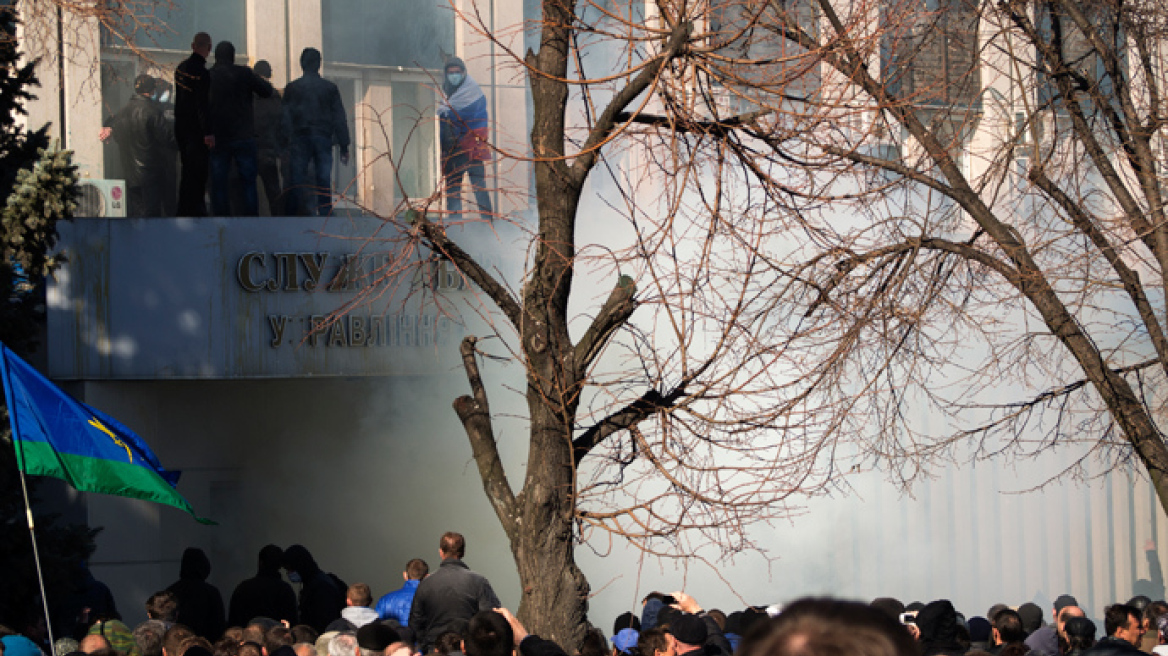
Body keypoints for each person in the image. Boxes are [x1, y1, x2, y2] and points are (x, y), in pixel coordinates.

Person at [207, 41, 273, 216]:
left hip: (219, 137)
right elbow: (267, 91)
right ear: (233, 56)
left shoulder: (209, 76)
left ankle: (221, 219)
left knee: (219, 181)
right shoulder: (244, 74)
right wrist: (252, 76)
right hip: (243, 136)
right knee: (248, 181)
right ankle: (250, 218)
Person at [281, 47, 350, 216]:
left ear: (301, 64)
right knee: (323, 179)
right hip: (323, 138)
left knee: (296, 179)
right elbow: (339, 118)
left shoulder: (292, 88)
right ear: (319, 64)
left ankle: (291, 215)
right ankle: (325, 213)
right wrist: (344, 146)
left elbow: (284, 118)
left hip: (300, 138)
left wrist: (283, 143)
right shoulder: (329, 88)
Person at [408, 532, 501, 652]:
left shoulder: (425, 584)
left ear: (441, 552)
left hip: (435, 648)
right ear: (463, 552)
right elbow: (491, 617)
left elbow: (415, 623)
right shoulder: (478, 581)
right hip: (467, 648)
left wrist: (427, 647)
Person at [99, 74, 175, 217]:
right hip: (151, 174)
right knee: (152, 215)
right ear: (152, 90)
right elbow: (168, 139)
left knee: (136, 214)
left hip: (130, 175)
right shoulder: (153, 112)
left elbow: (114, 132)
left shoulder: (122, 113)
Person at [437, 57, 492, 223]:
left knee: (479, 187)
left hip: (471, 148)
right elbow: (443, 124)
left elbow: (479, 120)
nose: (454, 76)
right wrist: (444, 150)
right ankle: (455, 226)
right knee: (452, 191)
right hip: (452, 151)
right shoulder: (445, 94)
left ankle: (488, 224)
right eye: (450, 73)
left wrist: (469, 140)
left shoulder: (473, 93)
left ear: (463, 73)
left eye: (457, 72)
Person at [174, 32, 214, 216]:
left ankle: (184, 210)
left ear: (193, 46)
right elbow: (202, 105)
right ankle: (196, 210)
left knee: (186, 171)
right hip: (197, 132)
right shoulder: (202, 73)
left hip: (182, 129)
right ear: (209, 48)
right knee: (198, 173)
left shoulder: (181, 68)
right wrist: (208, 132)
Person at [282, 544, 346, 634]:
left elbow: (325, 619)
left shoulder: (320, 586)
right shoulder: (314, 582)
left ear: (300, 566)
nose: (289, 573)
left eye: (290, 569)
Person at [228, 545, 298, 627]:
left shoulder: (243, 588)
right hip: (277, 635)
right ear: (280, 565)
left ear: (260, 562)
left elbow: (234, 623)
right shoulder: (285, 590)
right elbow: (292, 622)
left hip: (246, 634)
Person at [166, 547, 225, 641]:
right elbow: (218, 625)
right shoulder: (210, 592)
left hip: (177, 643)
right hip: (206, 643)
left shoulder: (171, 591)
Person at [251, 60, 284, 215]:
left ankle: (249, 221)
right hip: (268, 150)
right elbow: (281, 124)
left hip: (250, 148)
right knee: (273, 190)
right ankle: (278, 220)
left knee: (249, 189)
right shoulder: (274, 96)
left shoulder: (247, 95)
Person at [375, 559, 428, 626]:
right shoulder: (433, 600)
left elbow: (376, 626)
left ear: (405, 575)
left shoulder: (385, 600)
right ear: (427, 577)